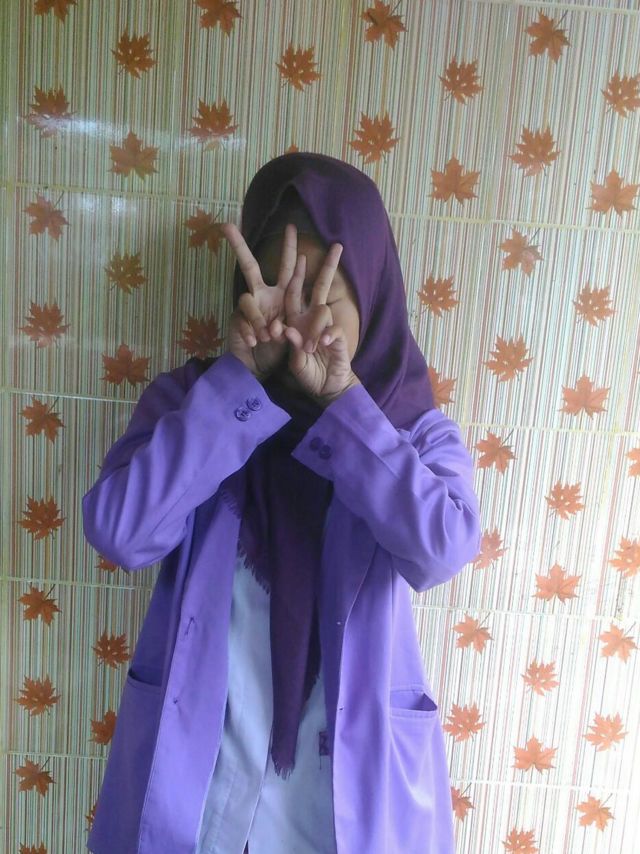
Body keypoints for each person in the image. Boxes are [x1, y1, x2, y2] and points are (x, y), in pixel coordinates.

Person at [83, 151, 482, 854]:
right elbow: (119, 530)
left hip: (344, 809)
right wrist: (237, 390)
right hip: (207, 801)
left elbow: (442, 548)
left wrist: (345, 406)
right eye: (275, 282)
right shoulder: (194, 403)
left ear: (374, 294)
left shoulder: (410, 429)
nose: (296, 315)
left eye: (325, 291)